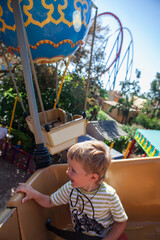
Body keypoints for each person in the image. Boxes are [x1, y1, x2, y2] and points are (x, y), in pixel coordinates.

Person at [16, 140, 128, 240]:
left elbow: (121, 222)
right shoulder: (71, 187)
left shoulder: (109, 196)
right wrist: (34, 193)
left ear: (93, 178)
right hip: (81, 236)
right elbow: (49, 201)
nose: (67, 172)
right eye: (69, 167)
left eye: (73, 170)